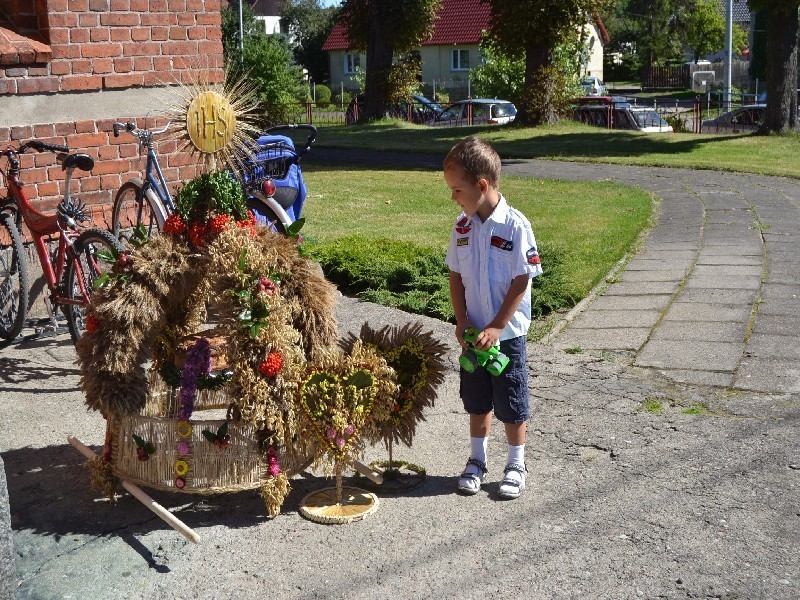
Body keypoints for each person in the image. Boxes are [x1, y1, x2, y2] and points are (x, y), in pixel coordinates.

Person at [443, 136, 542, 499]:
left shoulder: (516, 226)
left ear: (482, 186)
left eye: (457, 190)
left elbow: (523, 277)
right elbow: (455, 274)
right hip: (473, 334)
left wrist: (499, 325)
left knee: (512, 401)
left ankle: (516, 463)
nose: (454, 198)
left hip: (506, 336)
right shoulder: (462, 227)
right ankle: (477, 460)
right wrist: (461, 320)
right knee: (476, 397)